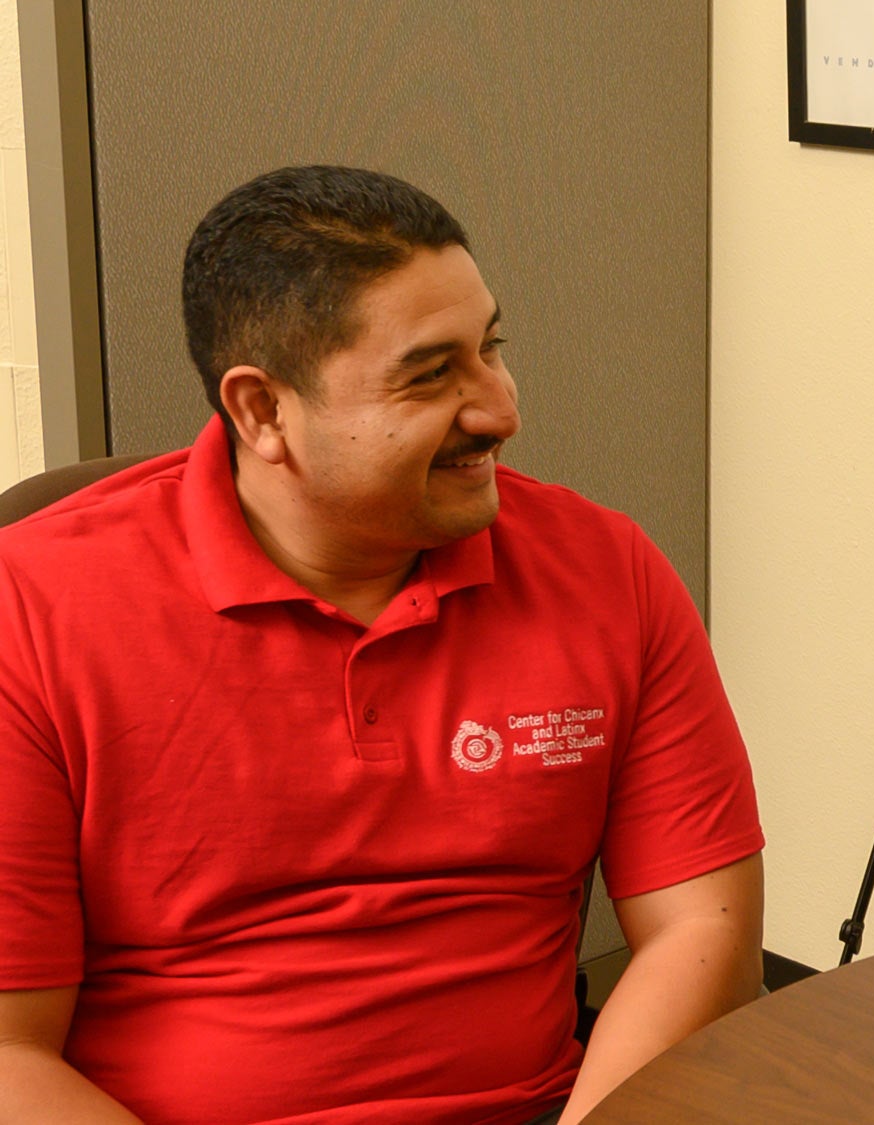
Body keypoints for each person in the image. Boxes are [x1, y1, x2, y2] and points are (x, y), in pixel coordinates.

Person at [0, 167, 765, 1123]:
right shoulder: (28, 608)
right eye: (431, 375)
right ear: (263, 411)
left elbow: (704, 926)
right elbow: (7, 1055)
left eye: (492, 349)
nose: (500, 411)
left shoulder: (605, 567)